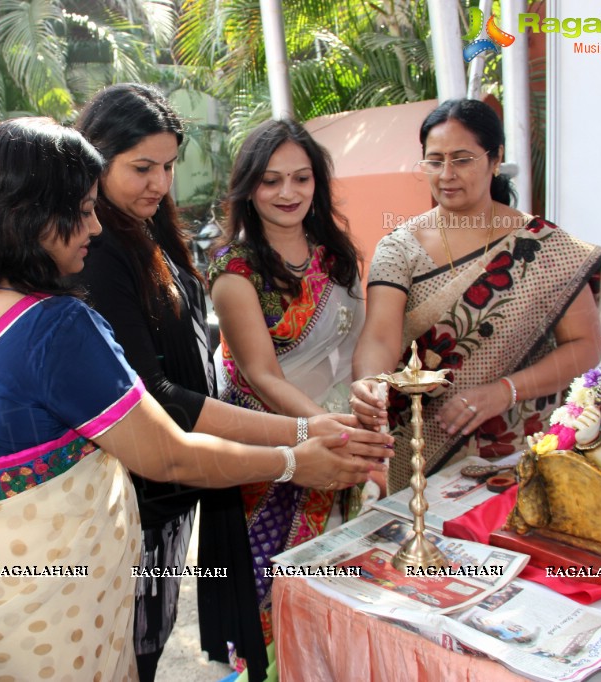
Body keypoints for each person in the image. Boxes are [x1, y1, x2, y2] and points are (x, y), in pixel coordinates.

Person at [0, 117, 371, 681]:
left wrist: (300, 433)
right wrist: (296, 460)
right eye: (82, 209)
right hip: (46, 606)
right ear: (29, 214)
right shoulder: (52, 324)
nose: (96, 227)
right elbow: (167, 453)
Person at [74, 85, 391, 680]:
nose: (160, 183)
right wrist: (302, 436)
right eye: (142, 167)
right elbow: (158, 392)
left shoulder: (150, 231)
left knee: (154, 632)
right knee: (144, 639)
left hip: (236, 448)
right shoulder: (103, 251)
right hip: (183, 461)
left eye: (167, 167)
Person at [350, 98, 601, 493]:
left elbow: (586, 346)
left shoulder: (546, 245)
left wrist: (505, 391)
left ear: (495, 158)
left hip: (520, 448)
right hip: (421, 445)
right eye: (434, 161)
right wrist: (371, 381)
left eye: (462, 159)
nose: (447, 175)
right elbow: (380, 335)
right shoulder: (399, 247)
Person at [207, 118, 373, 662]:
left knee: (345, 588)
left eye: (300, 179)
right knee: (274, 590)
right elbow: (260, 374)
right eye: (271, 180)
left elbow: (358, 341)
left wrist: (361, 412)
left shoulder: (335, 252)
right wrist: (329, 428)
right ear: (249, 187)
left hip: (346, 431)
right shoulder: (236, 268)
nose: (287, 193)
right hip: (278, 448)